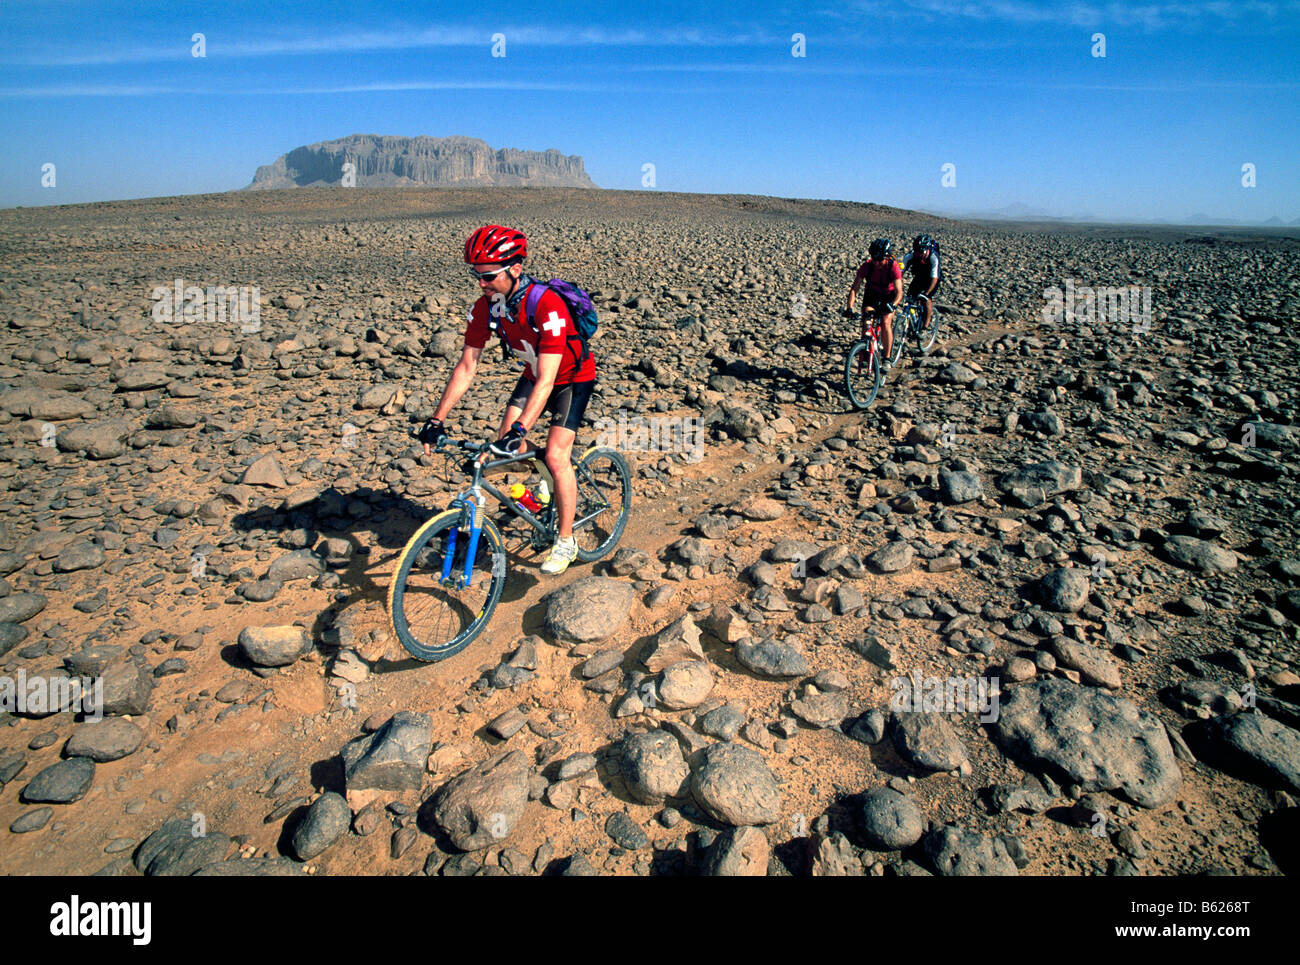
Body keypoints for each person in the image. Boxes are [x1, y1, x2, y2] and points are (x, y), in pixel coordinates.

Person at [417, 225, 597, 576]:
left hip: (571, 378)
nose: (481, 284)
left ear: (516, 268)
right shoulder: (487, 308)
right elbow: (467, 366)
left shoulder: (548, 305)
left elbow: (549, 378)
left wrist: (521, 427)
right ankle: (546, 478)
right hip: (534, 375)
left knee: (557, 454)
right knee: (510, 448)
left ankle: (566, 540)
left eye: (488, 276)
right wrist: (436, 420)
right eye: (476, 275)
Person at [846, 238, 902, 367]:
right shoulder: (867, 265)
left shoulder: (893, 266)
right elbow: (855, 288)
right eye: (874, 259)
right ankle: (865, 350)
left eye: (880, 260)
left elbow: (899, 292)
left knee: (885, 322)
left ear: (887, 257)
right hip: (872, 295)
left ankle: (887, 358)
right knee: (866, 320)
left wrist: (893, 305)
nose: (877, 263)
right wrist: (849, 308)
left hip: (889, 296)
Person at [903, 234, 941, 339]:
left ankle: (925, 327)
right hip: (919, 277)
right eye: (916, 252)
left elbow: (934, 278)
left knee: (926, 300)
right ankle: (911, 324)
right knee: (910, 298)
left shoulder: (933, 258)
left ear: (927, 250)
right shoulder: (910, 256)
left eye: (921, 252)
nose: (918, 254)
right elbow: (900, 272)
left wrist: (927, 293)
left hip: (931, 279)